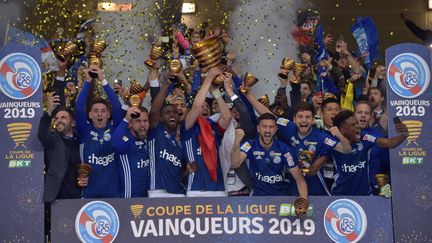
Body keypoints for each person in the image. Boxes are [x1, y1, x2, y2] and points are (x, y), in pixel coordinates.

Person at [230, 113, 308, 198]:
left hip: (282, 197)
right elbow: (235, 163)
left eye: (271, 127)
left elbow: (299, 179)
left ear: (275, 129)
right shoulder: (250, 145)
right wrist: (236, 143)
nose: (267, 130)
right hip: (259, 199)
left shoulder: (284, 149)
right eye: (264, 126)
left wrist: (303, 201)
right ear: (258, 128)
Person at [330, 110, 408, 195]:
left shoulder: (365, 137)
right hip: (339, 195)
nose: (357, 126)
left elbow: (389, 143)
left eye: (356, 123)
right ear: (342, 130)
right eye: (353, 125)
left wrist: (404, 134)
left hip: (364, 196)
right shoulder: (334, 143)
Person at [182, 68, 232, 197]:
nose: (203, 108)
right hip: (196, 189)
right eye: (201, 106)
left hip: (218, 189)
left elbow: (227, 117)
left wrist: (216, 92)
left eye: (206, 106)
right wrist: (209, 79)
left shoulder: (213, 127)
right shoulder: (187, 127)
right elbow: (196, 106)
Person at [75, 65, 123, 198]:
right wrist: (88, 81)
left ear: (108, 114)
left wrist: (103, 80)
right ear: (89, 115)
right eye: (95, 111)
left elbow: (118, 108)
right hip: (89, 194)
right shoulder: (85, 131)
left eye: (103, 111)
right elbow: (79, 108)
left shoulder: (115, 130)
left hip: (113, 195)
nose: (99, 114)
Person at [38, 93, 81, 201]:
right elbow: (42, 134)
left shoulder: (80, 141)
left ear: (73, 123)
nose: (59, 120)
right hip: (57, 197)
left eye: (63, 117)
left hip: (79, 195)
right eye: (56, 118)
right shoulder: (53, 139)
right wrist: (49, 112)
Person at [147, 78, 186, 197]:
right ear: (160, 118)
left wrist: (188, 171)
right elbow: (154, 110)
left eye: (174, 112)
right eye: (167, 113)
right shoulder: (155, 131)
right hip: (157, 192)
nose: (172, 114)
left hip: (178, 193)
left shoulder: (181, 140)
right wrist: (167, 84)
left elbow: (180, 172)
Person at [112, 106, 150, 198]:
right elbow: (115, 144)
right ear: (130, 124)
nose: (142, 124)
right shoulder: (126, 140)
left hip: (146, 198)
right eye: (138, 121)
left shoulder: (148, 141)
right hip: (127, 199)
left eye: (145, 121)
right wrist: (126, 119)